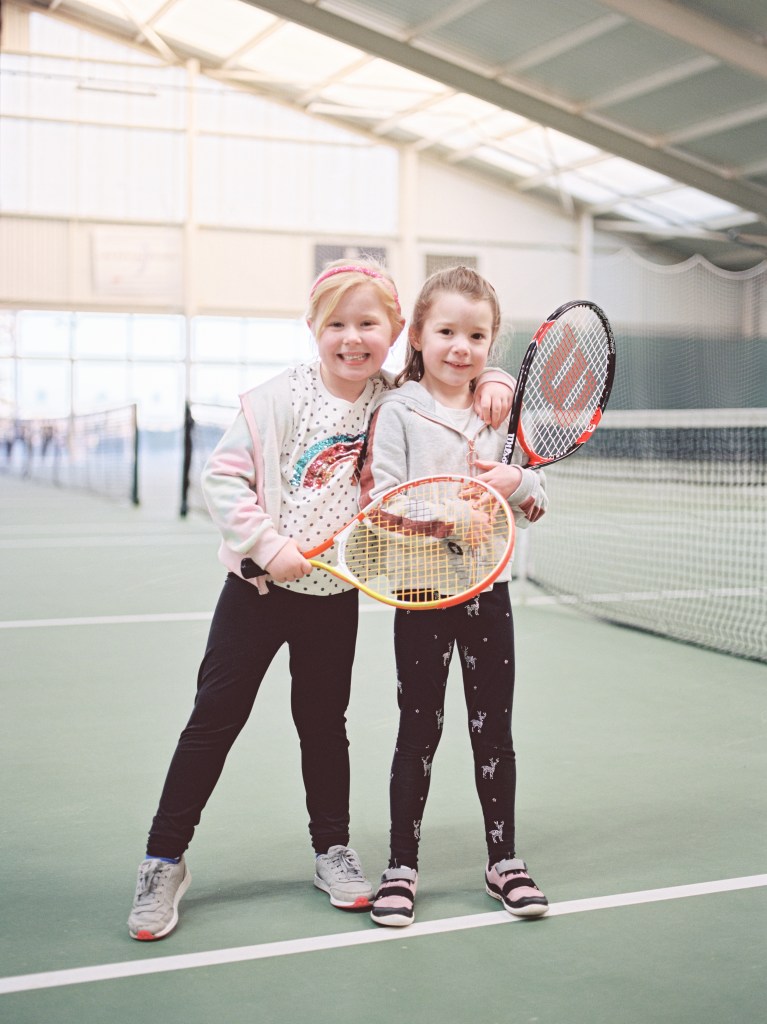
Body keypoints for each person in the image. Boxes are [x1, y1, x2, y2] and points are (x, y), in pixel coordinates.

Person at [127, 259, 516, 940]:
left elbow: (451, 377)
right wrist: (266, 544)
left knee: (321, 725)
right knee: (213, 720)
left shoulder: (389, 397)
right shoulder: (276, 399)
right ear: (314, 328)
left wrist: (496, 378)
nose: (351, 338)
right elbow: (222, 480)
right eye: (336, 323)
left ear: (395, 332)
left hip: (334, 595)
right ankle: (164, 858)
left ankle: (331, 850)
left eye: (368, 324)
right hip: (257, 590)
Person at [358, 265, 550, 927]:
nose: (458, 346)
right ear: (417, 335)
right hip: (419, 592)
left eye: (474, 335)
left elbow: (536, 504)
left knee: (493, 731)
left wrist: (513, 481)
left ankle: (504, 861)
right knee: (419, 729)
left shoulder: (500, 413)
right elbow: (379, 505)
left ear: (490, 343)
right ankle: (400, 867)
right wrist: (445, 518)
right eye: (445, 331)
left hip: (486, 596)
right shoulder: (396, 411)